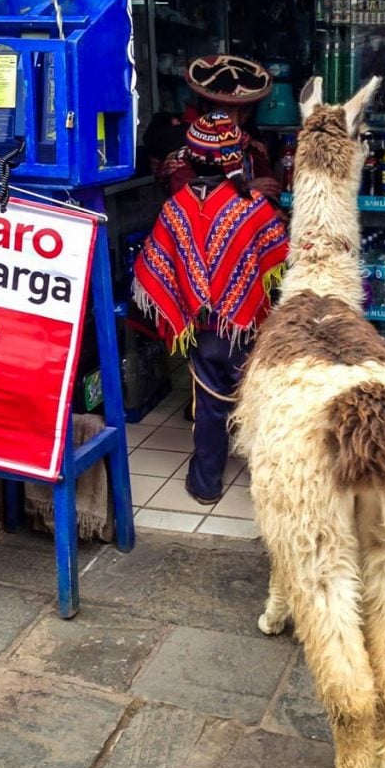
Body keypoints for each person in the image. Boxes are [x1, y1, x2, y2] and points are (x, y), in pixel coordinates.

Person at [132, 111, 289, 505]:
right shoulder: (253, 208)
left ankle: (205, 484)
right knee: (261, 403)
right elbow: (280, 256)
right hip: (249, 326)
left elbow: (153, 266)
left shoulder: (175, 209)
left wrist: (192, 299)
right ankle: (270, 489)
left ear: (191, 157)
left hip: (203, 330)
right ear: (236, 156)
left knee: (210, 407)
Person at [157, 54, 282, 202]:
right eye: (227, 111)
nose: (235, 120)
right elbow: (189, 203)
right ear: (206, 109)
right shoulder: (185, 155)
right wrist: (247, 190)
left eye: (242, 111)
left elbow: (271, 188)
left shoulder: (251, 149)